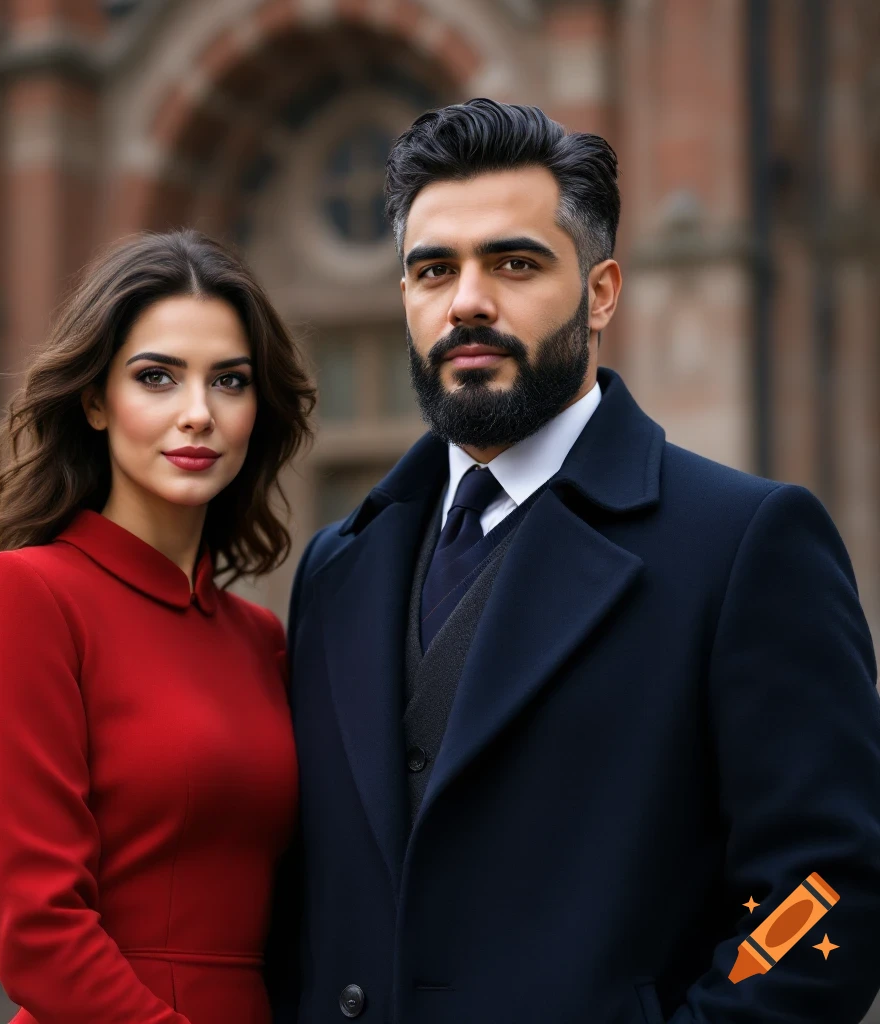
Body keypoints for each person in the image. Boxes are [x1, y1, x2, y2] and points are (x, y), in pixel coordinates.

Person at [271, 99, 880, 1023]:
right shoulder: (336, 566)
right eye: (434, 270)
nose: (467, 302)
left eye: (514, 264)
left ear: (601, 293)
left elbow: (827, 886)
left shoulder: (744, 542)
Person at [0, 230, 314, 1024]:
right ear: (94, 401)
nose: (198, 414)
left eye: (229, 381)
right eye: (157, 378)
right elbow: (39, 936)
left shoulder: (260, 639)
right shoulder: (26, 597)